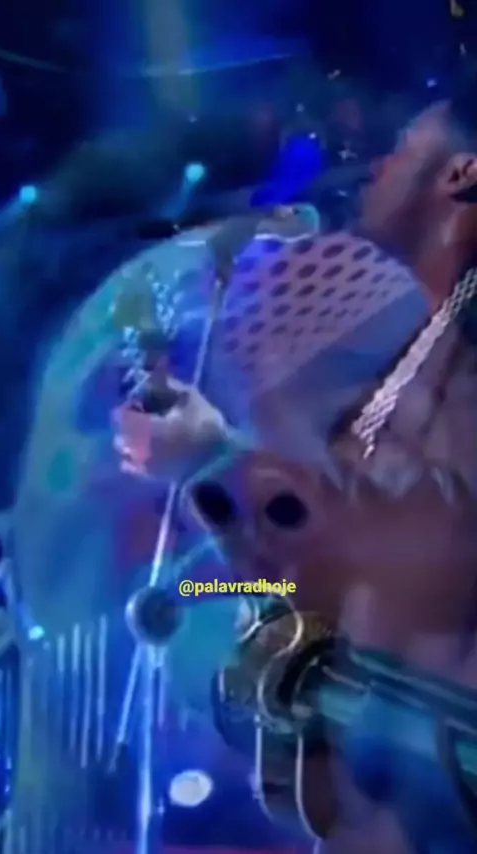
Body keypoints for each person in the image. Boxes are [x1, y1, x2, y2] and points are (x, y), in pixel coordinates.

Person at [113, 78, 477, 852]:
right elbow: (311, 570)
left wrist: (216, 457)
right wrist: (212, 593)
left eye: (401, 149)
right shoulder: (412, 338)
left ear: (461, 173)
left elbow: (434, 533)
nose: (375, 165)